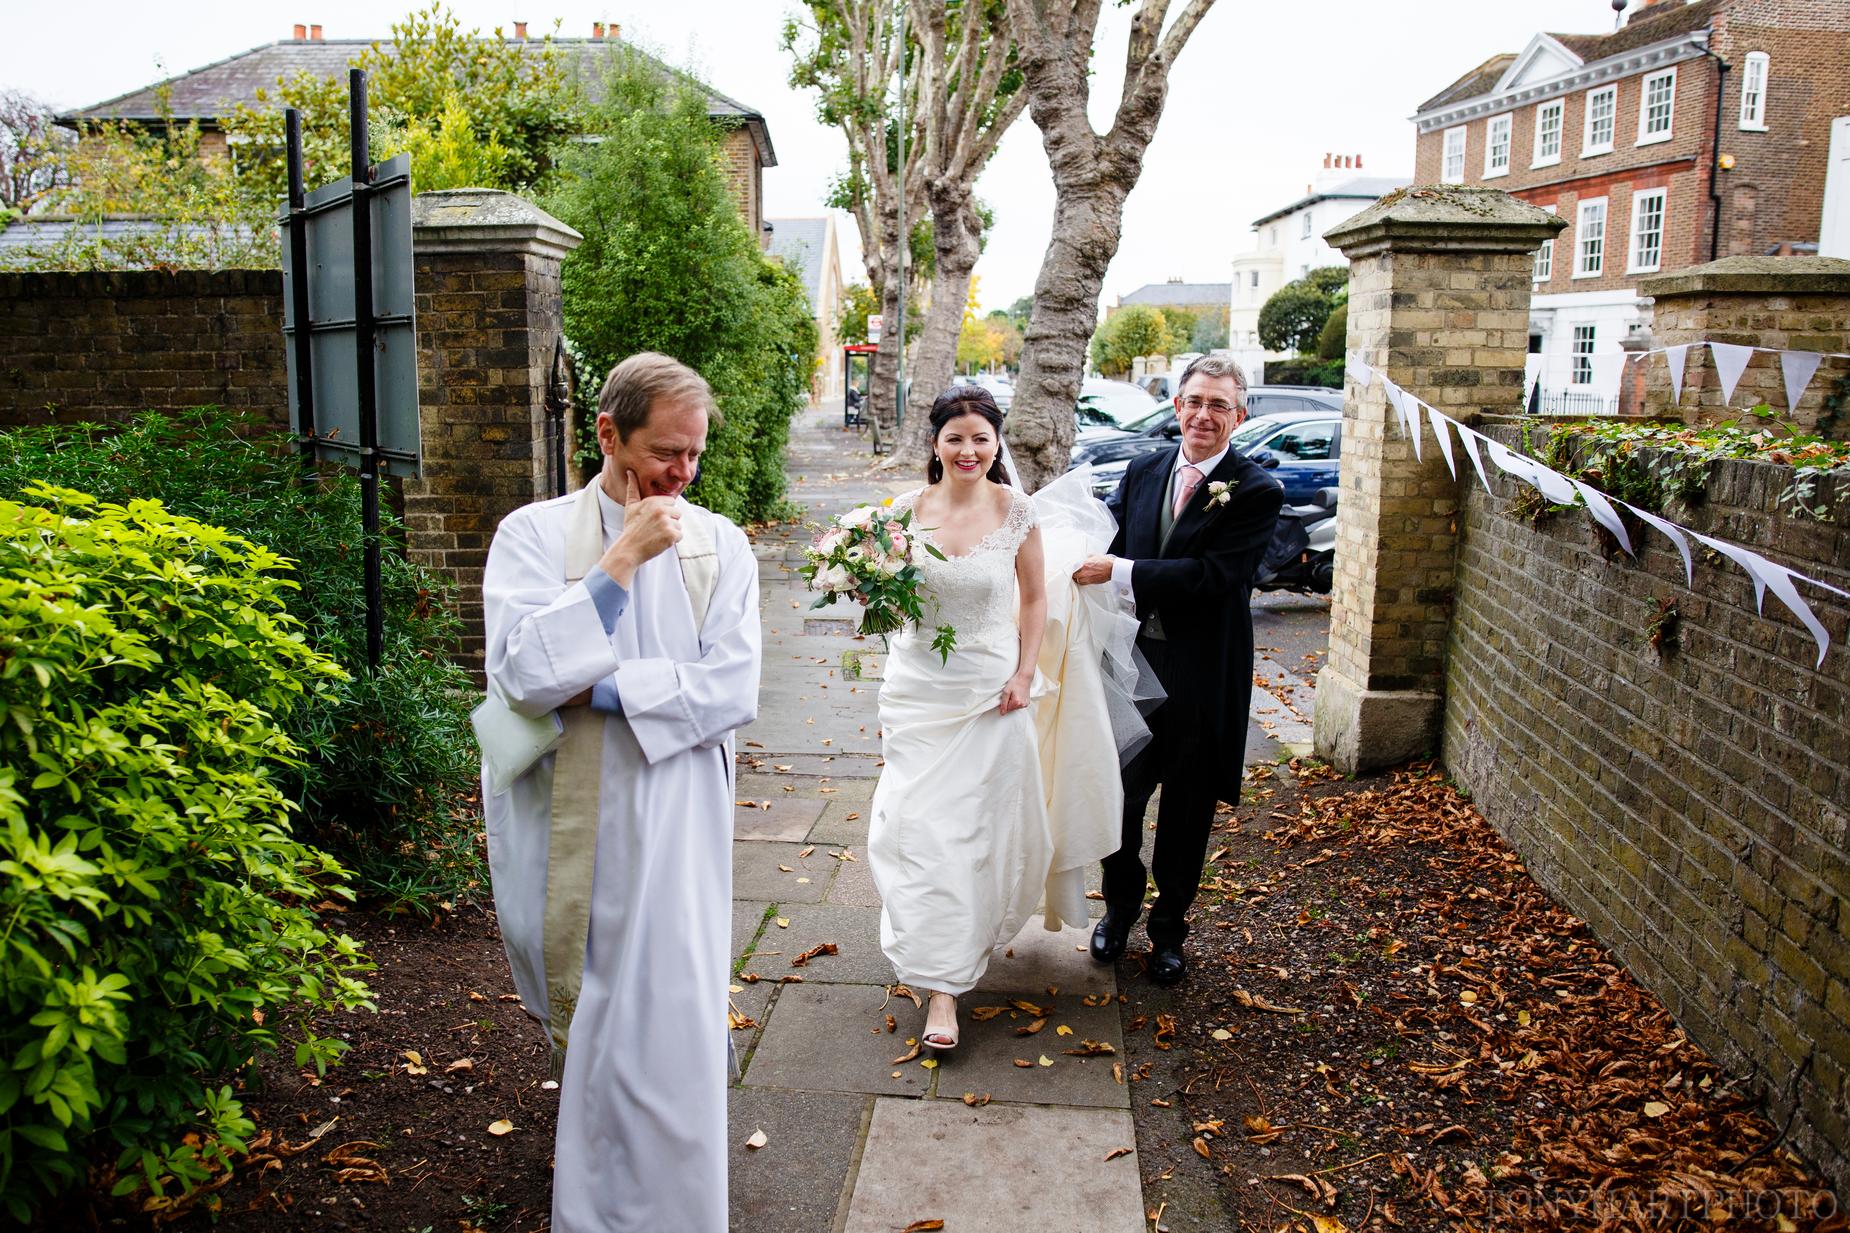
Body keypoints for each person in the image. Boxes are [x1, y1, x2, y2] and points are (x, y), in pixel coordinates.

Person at [480, 352, 761, 1233]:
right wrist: (621, 561)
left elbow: (731, 688)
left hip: (680, 813)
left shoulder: (721, 544)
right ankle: (597, 1206)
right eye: (666, 451)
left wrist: (598, 687)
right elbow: (523, 674)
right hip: (577, 816)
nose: (683, 473)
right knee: (594, 1012)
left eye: (695, 454)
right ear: (608, 433)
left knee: (674, 1011)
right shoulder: (532, 536)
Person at [1073, 353, 1284, 986]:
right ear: (1177, 406)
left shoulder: (1256, 489)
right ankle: (1118, 910)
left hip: (1201, 673)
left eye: (1219, 405)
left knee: (1187, 811)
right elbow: (1106, 540)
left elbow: (1218, 577)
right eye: (1195, 401)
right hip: (1132, 665)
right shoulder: (1144, 469)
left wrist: (1121, 572)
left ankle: (1169, 931)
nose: (1204, 415)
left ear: (1238, 415)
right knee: (1119, 799)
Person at [868, 387, 1053, 1051]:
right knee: (916, 829)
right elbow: (886, 603)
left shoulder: (1017, 511)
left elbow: (1035, 598)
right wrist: (860, 584)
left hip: (989, 694)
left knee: (969, 836)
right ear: (936, 443)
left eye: (980, 438)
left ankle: (944, 989)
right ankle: (934, 955)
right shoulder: (900, 513)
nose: (968, 450)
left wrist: (1025, 673)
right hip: (918, 692)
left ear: (997, 443)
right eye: (956, 438)